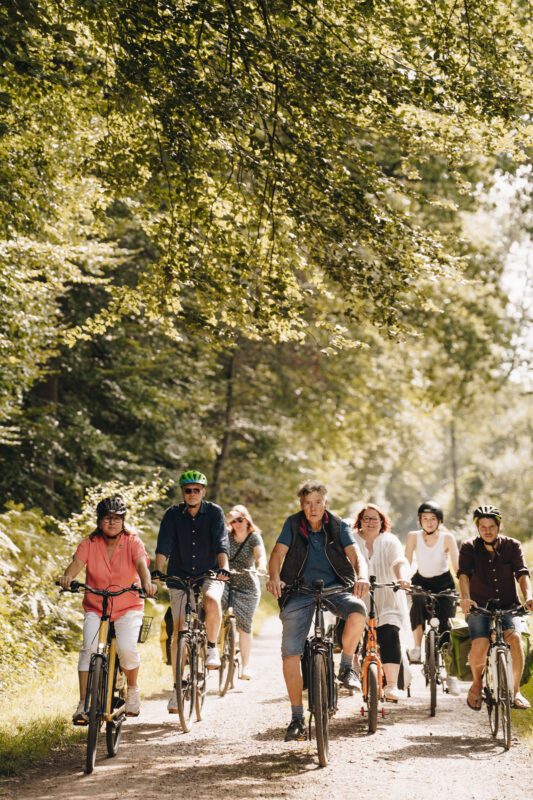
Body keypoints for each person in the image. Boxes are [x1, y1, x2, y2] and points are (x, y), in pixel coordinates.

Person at [267, 480, 369, 742]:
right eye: (307, 503)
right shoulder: (292, 524)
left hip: (336, 587)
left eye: (317, 503)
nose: (312, 508)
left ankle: (346, 667)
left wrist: (362, 576)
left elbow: (355, 554)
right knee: (290, 653)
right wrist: (275, 577)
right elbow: (277, 554)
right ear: (302, 506)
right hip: (298, 590)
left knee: (358, 610)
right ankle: (297, 717)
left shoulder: (336, 524)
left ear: (325, 504)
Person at [58, 496, 156, 723]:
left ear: (123, 521)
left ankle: (132, 690)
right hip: (96, 605)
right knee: (89, 648)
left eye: (116, 518)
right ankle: (83, 704)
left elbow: (142, 565)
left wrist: (147, 583)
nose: (111, 523)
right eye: (106, 518)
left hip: (128, 604)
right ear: (99, 521)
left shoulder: (133, 541)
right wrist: (67, 577)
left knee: (126, 647)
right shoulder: (89, 543)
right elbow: (76, 564)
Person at [154, 469, 230, 713]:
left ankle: (210, 648)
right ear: (183, 493)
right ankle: (177, 689)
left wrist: (224, 568)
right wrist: (157, 570)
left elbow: (221, 541)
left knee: (210, 599)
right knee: (179, 631)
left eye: (197, 490)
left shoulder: (215, 512)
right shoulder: (172, 514)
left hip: (210, 572)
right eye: (188, 490)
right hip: (180, 574)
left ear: (203, 492)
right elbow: (164, 543)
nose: (192, 493)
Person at [458, 504, 533, 710]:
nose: (487, 531)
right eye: (483, 527)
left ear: (499, 527)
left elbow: (522, 573)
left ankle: (515, 691)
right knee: (480, 644)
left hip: (509, 604)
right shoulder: (469, 547)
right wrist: (465, 598)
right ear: (478, 528)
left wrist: (529, 596)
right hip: (479, 605)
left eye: (491, 526)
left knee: (515, 639)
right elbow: (463, 574)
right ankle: (477, 683)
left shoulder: (512, 546)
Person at [350, 503, 411, 702]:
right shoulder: (352, 540)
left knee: (390, 634)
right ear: (359, 521)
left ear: (382, 522)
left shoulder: (390, 540)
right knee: (351, 631)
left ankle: (391, 686)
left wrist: (402, 578)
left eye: (375, 519)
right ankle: (351, 667)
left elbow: (398, 561)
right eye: (366, 518)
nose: (370, 522)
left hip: (387, 596)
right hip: (358, 596)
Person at [404, 501, 459, 689]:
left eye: (432, 519)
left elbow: (457, 566)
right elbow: (406, 561)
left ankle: (450, 674)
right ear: (420, 521)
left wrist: (465, 587)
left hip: (444, 582)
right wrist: (403, 580)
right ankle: (418, 648)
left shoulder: (447, 538)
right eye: (424, 519)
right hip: (421, 580)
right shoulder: (413, 536)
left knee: (446, 625)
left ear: (439, 521)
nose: (428, 522)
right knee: (417, 602)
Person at [224, 505, 267, 679]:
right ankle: (217, 647)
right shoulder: (226, 536)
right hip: (226, 581)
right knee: (213, 608)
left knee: (244, 625)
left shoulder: (253, 537)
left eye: (240, 519)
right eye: (233, 521)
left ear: (247, 519)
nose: (237, 524)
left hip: (247, 583)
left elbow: (260, 555)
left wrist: (261, 566)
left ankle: (245, 666)